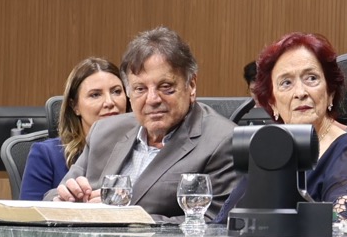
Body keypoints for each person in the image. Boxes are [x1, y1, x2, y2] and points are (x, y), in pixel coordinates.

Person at [53, 27, 234, 219]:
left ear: (191, 85)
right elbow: (53, 196)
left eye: (165, 86)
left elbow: (213, 221)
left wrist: (124, 215)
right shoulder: (105, 131)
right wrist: (66, 200)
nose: (152, 99)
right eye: (140, 89)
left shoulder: (223, 140)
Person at [230, 31, 347, 233]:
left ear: (330, 93)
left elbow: (342, 231)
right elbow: (222, 225)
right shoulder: (269, 154)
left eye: (311, 78)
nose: (300, 92)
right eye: (286, 82)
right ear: (272, 103)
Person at [20, 56, 127, 201]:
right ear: (75, 106)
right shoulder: (46, 155)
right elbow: (29, 212)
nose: (109, 102)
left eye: (116, 91)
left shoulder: (141, 149)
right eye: (95, 95)